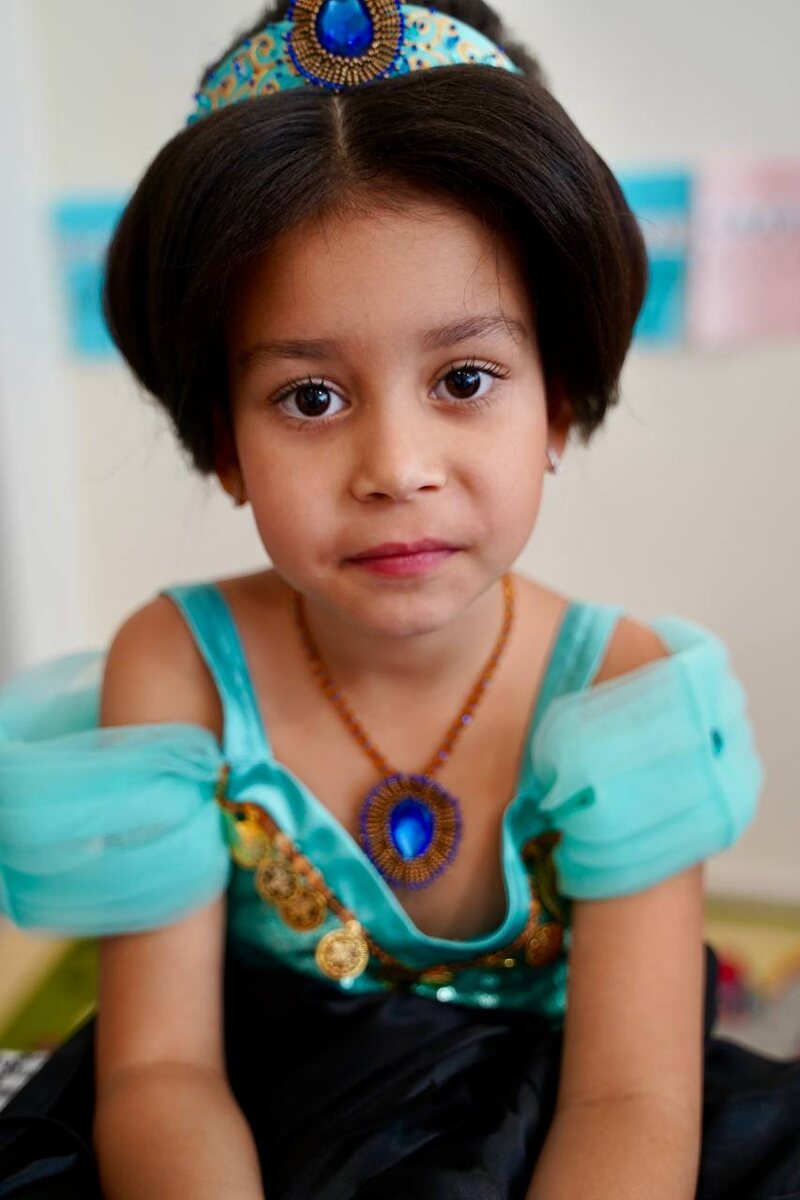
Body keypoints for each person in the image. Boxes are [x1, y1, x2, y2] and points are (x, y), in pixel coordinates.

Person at [1, 1, 799, 1197]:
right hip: (255, 1128)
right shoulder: (178, 667)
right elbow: (161, 1074)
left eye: (464, 378)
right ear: (221, 442)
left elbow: (628, 1100)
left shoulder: (622, 693)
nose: (395, 467)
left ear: (556, 403)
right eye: (309, 399)